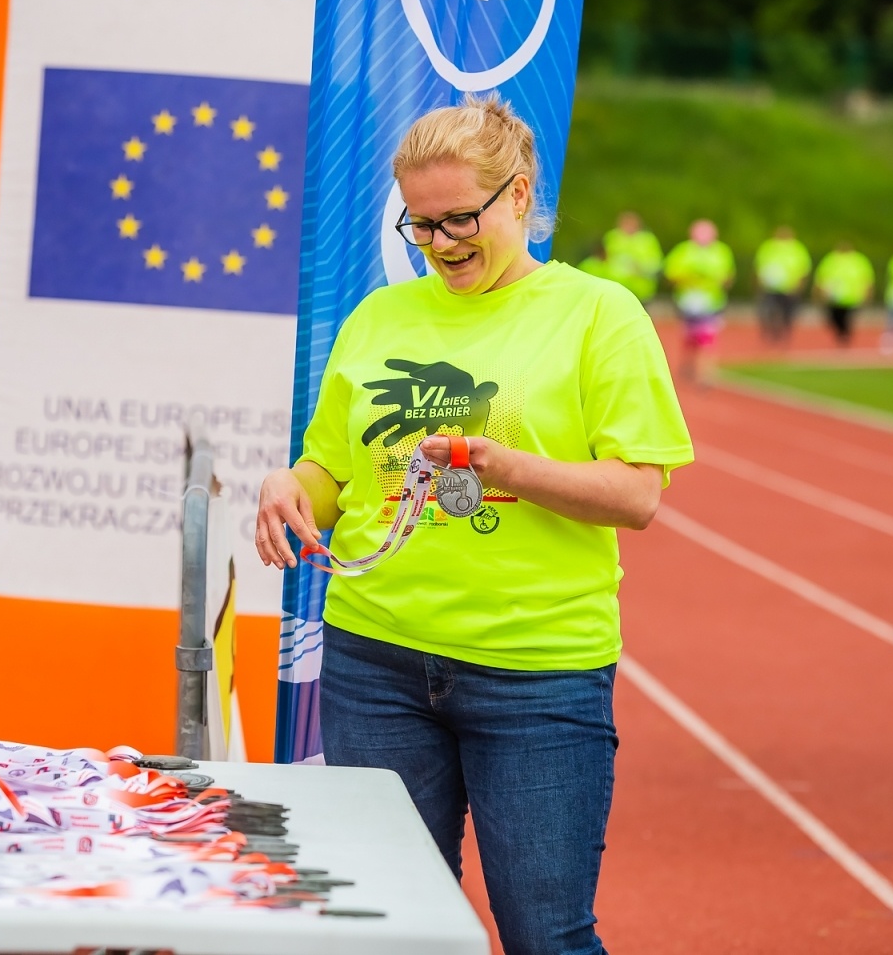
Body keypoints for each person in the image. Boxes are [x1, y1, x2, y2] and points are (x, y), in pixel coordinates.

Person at [254, 94, 694, 955]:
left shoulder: (599, 315)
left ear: (520, 196)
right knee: (392, 930)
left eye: (461, 218)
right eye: (421, 225)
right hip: (372, 662)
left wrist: (504, 467)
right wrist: (290, 485)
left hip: (534, 672)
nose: (441, 244)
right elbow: (335, 470)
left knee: (544, 933)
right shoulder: (382, 315)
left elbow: (638, 494)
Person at [663, 219, 736, 385]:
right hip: (687, 303)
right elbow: (670, 275)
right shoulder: (683, 250)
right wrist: (689, 278)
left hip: (711, 303)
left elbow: (728, 278)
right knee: (690, 338)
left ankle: (706, 375)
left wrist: (715, 280)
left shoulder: (721, 251)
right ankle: (688, 365)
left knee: (707, 338)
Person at [753, 225, 811, 344]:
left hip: (790, 288)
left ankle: (784, 333)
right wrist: (759, 284)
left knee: (788, 314)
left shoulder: (798, 249)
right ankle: (773, 332)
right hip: (770, 288)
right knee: (768, 312)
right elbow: (758, 267)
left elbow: (804, 269)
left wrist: (799, 286)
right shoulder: (768, 247)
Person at [812, 241, 874, 346]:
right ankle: (841, 333)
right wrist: (819, 291)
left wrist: (867, 293)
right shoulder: (831, 259)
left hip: (852, 297)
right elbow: (821, 276)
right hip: (834, 297)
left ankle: (845, 335)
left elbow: (867, 279)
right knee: (833, 317)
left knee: (848, 319)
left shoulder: (859, 260)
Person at [601, 211, 663, 303]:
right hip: (615, 287)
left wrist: (641, 268)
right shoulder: (611, 238)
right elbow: (603, 261)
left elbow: (656, 263)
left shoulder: (648, 240)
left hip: (642, 289)